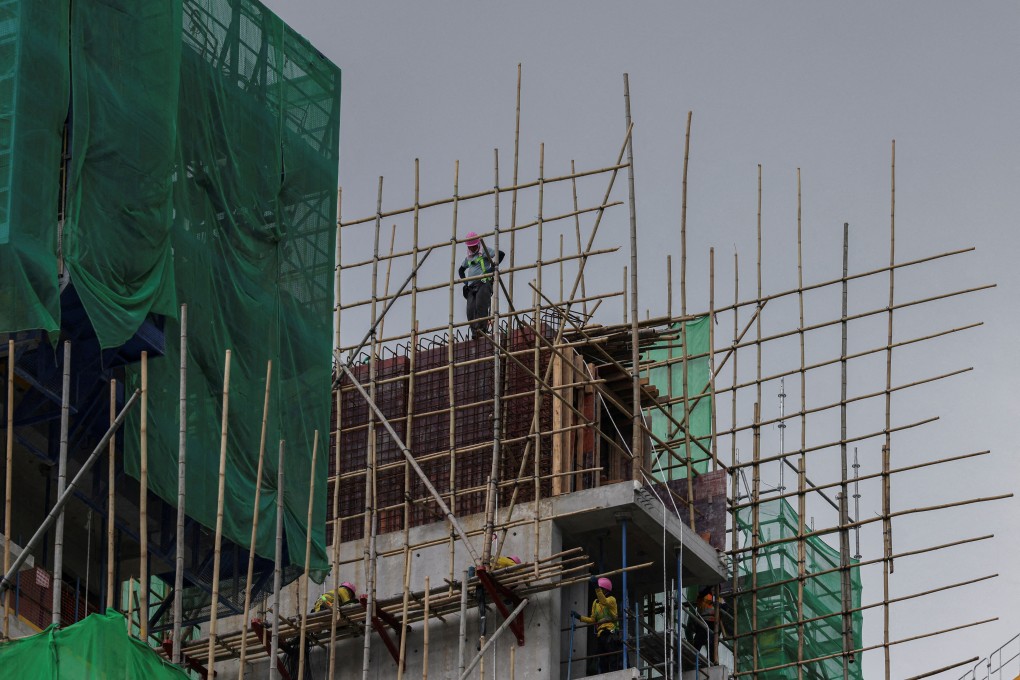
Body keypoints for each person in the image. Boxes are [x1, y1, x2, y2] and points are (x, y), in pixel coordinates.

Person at [457, 231, 505, 338]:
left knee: (481, 305)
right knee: (470, 310)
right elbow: (461, 270)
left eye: (474, 246)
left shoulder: (484, 251)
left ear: (477, 244)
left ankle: (482, 330)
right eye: (471, 247)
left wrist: (491, 269)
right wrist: (466, 282)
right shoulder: (468, 257)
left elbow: (500, 254)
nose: (473, 249)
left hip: (483, 283)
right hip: (471, 287)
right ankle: (475, 332)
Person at [576, 576, 621, 672]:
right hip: (600, 634)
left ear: (605, 590)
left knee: (612, 654)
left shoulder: (611, 599)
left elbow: (604, 601)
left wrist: (596, 587)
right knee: (602, 657)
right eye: (598, 589)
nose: (598, 591)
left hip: (610, 631)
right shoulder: (595, 603)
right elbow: (593, 620)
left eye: (600, 589)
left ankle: (613, 673)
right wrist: (580, 617)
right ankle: (604, 674)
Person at [687, 585, 720, 664]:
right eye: (713, 589)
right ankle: (694, 658)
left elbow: (725, 607)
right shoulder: (705, 596)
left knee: (712, 643)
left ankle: (711, 661)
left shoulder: (719, 599)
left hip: (714, 624)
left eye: (716, 589)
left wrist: (720, 606)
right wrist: (710, 587)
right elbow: (701, 595)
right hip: (703, 621)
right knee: (699, 640)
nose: (714, 591)